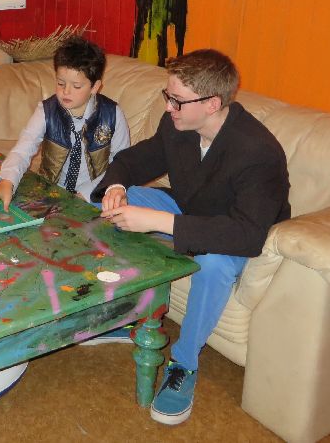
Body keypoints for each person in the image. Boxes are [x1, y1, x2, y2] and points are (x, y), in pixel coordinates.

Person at [90, 48, 290, 426]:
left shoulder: (257, 152)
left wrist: (161, 221)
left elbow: (247, 234)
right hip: (190, 211)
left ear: (212, 104)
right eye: (168, 96)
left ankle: (184, 365)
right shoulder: (178, 125)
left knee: (212, 266)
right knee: (110, 203)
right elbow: (137, 159)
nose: (169, 107)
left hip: (233, 232)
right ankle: (122, 314)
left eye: (177, 100)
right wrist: (116, 185)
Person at [0, 36, 130, 212]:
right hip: (51, 191)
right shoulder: (46, 110)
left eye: (76, 86)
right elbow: (23, 149)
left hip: (95, 193)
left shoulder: (113, 114)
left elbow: (121, 163)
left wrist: (85, 194)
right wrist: (7, 180)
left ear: (95, 87)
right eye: (61, 83)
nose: (65, 92)